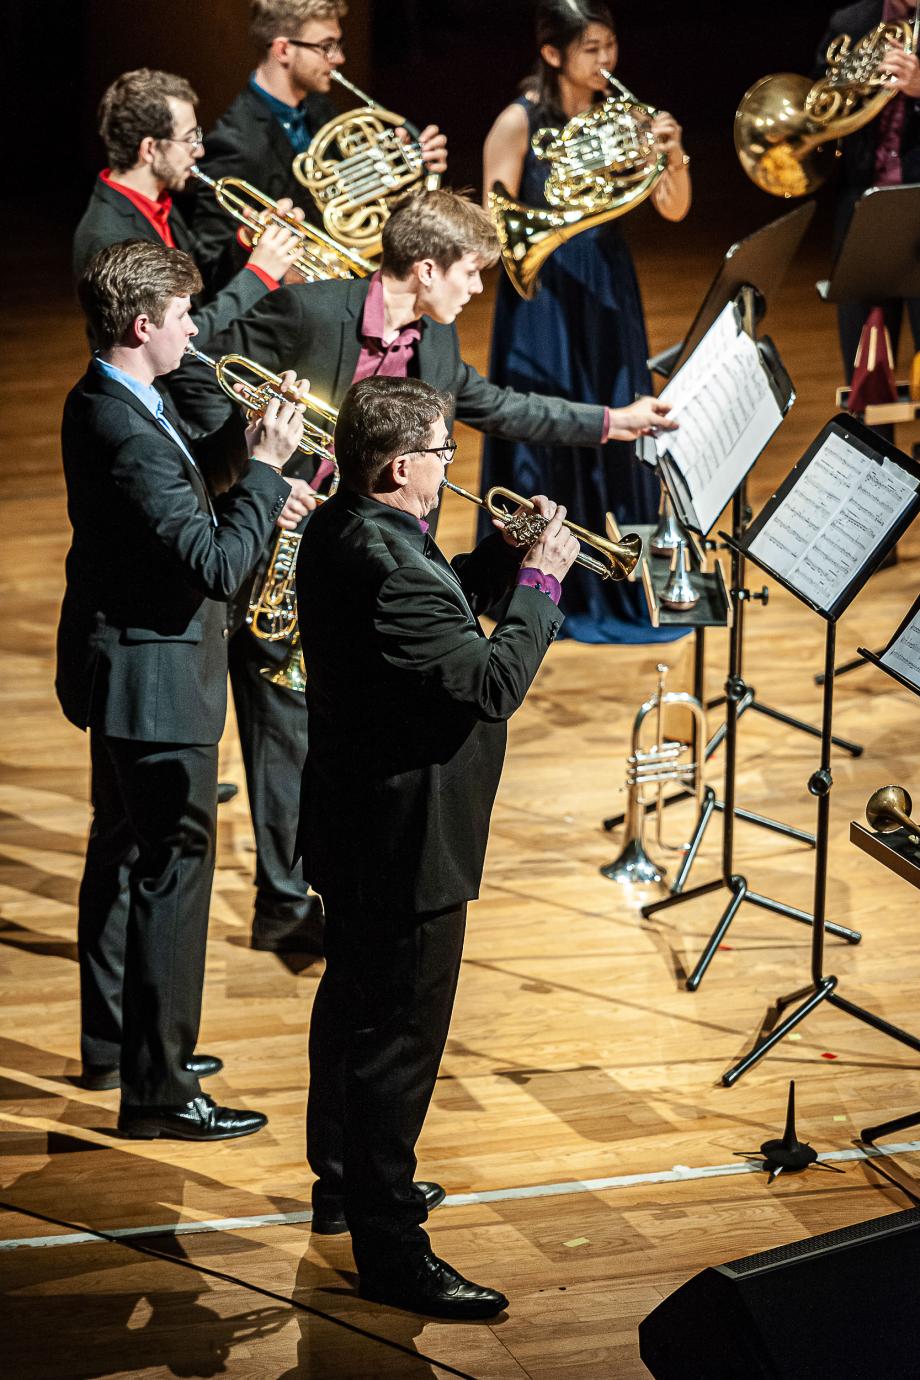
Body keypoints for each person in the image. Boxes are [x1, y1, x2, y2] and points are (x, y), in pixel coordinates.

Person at [170, 189, 674, 957]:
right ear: (428, 268)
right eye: (471, 273)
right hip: (290, 542)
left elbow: (501, 406)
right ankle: (283, 902)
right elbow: (197, 375)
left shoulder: (435, 343)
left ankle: (351, 880)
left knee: (362, 728)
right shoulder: (312, 310)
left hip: (389, 560)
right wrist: (263, 474)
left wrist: (612, 423)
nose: (478, 289)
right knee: (281, 726)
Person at [296, 374, 580, 1318]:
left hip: (356, 826)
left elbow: (438, 612)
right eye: (442, 453)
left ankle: (344, 1185)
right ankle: (391, 1250)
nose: (454, 466)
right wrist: (541, 582)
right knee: (399, 1047)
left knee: (352, 1009)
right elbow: (491, 682)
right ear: (399, 466)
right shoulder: (389, 564)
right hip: (406, 845)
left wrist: (499, 559)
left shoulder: (343, 527)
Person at [57, 239, 306, 1138]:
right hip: (156, 682)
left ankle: (119, 1043)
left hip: (127, 668)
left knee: (127, 850)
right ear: (140, 326)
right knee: (174, 869)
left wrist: (244, 448)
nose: (195, 331)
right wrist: (267, 475)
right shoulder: (123, 427)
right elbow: (216, 563)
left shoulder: (117, 398)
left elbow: (183, 485)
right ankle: (159, 1089)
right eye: (182, 318)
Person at [481, 0, 691, 643]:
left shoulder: (625, 118)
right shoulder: (518, 121)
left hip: (603, 284)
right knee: (549, 418)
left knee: (616, 411)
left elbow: (676, 210)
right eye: (590, 48)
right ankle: (543, 584)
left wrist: (674, 154)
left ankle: (620, 580)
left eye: (610, 45)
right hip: (541, 291)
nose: (605, 60)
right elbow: (494, 225)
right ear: (553, 53)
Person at [189, 0, 448, 282]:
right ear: (283, 49)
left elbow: (350, 201)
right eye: (326, 47)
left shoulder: (322, 111)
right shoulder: (233, 144)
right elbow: (210, 265)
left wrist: (404, 164)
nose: (339, 59)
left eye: (338, 45)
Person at [73, 68, 302, 350]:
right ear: (150, 149)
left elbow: (200, 291)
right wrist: (259, 275)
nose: (200, 151)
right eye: (189, 139)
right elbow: (172, 345)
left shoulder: (158, 204)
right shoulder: (110, 239)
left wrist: (246, 243)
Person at [815, 0, 920, 373]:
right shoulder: (851, 22)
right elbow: (818, 107)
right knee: (865, 372)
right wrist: (852, 85)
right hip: (864, 210)